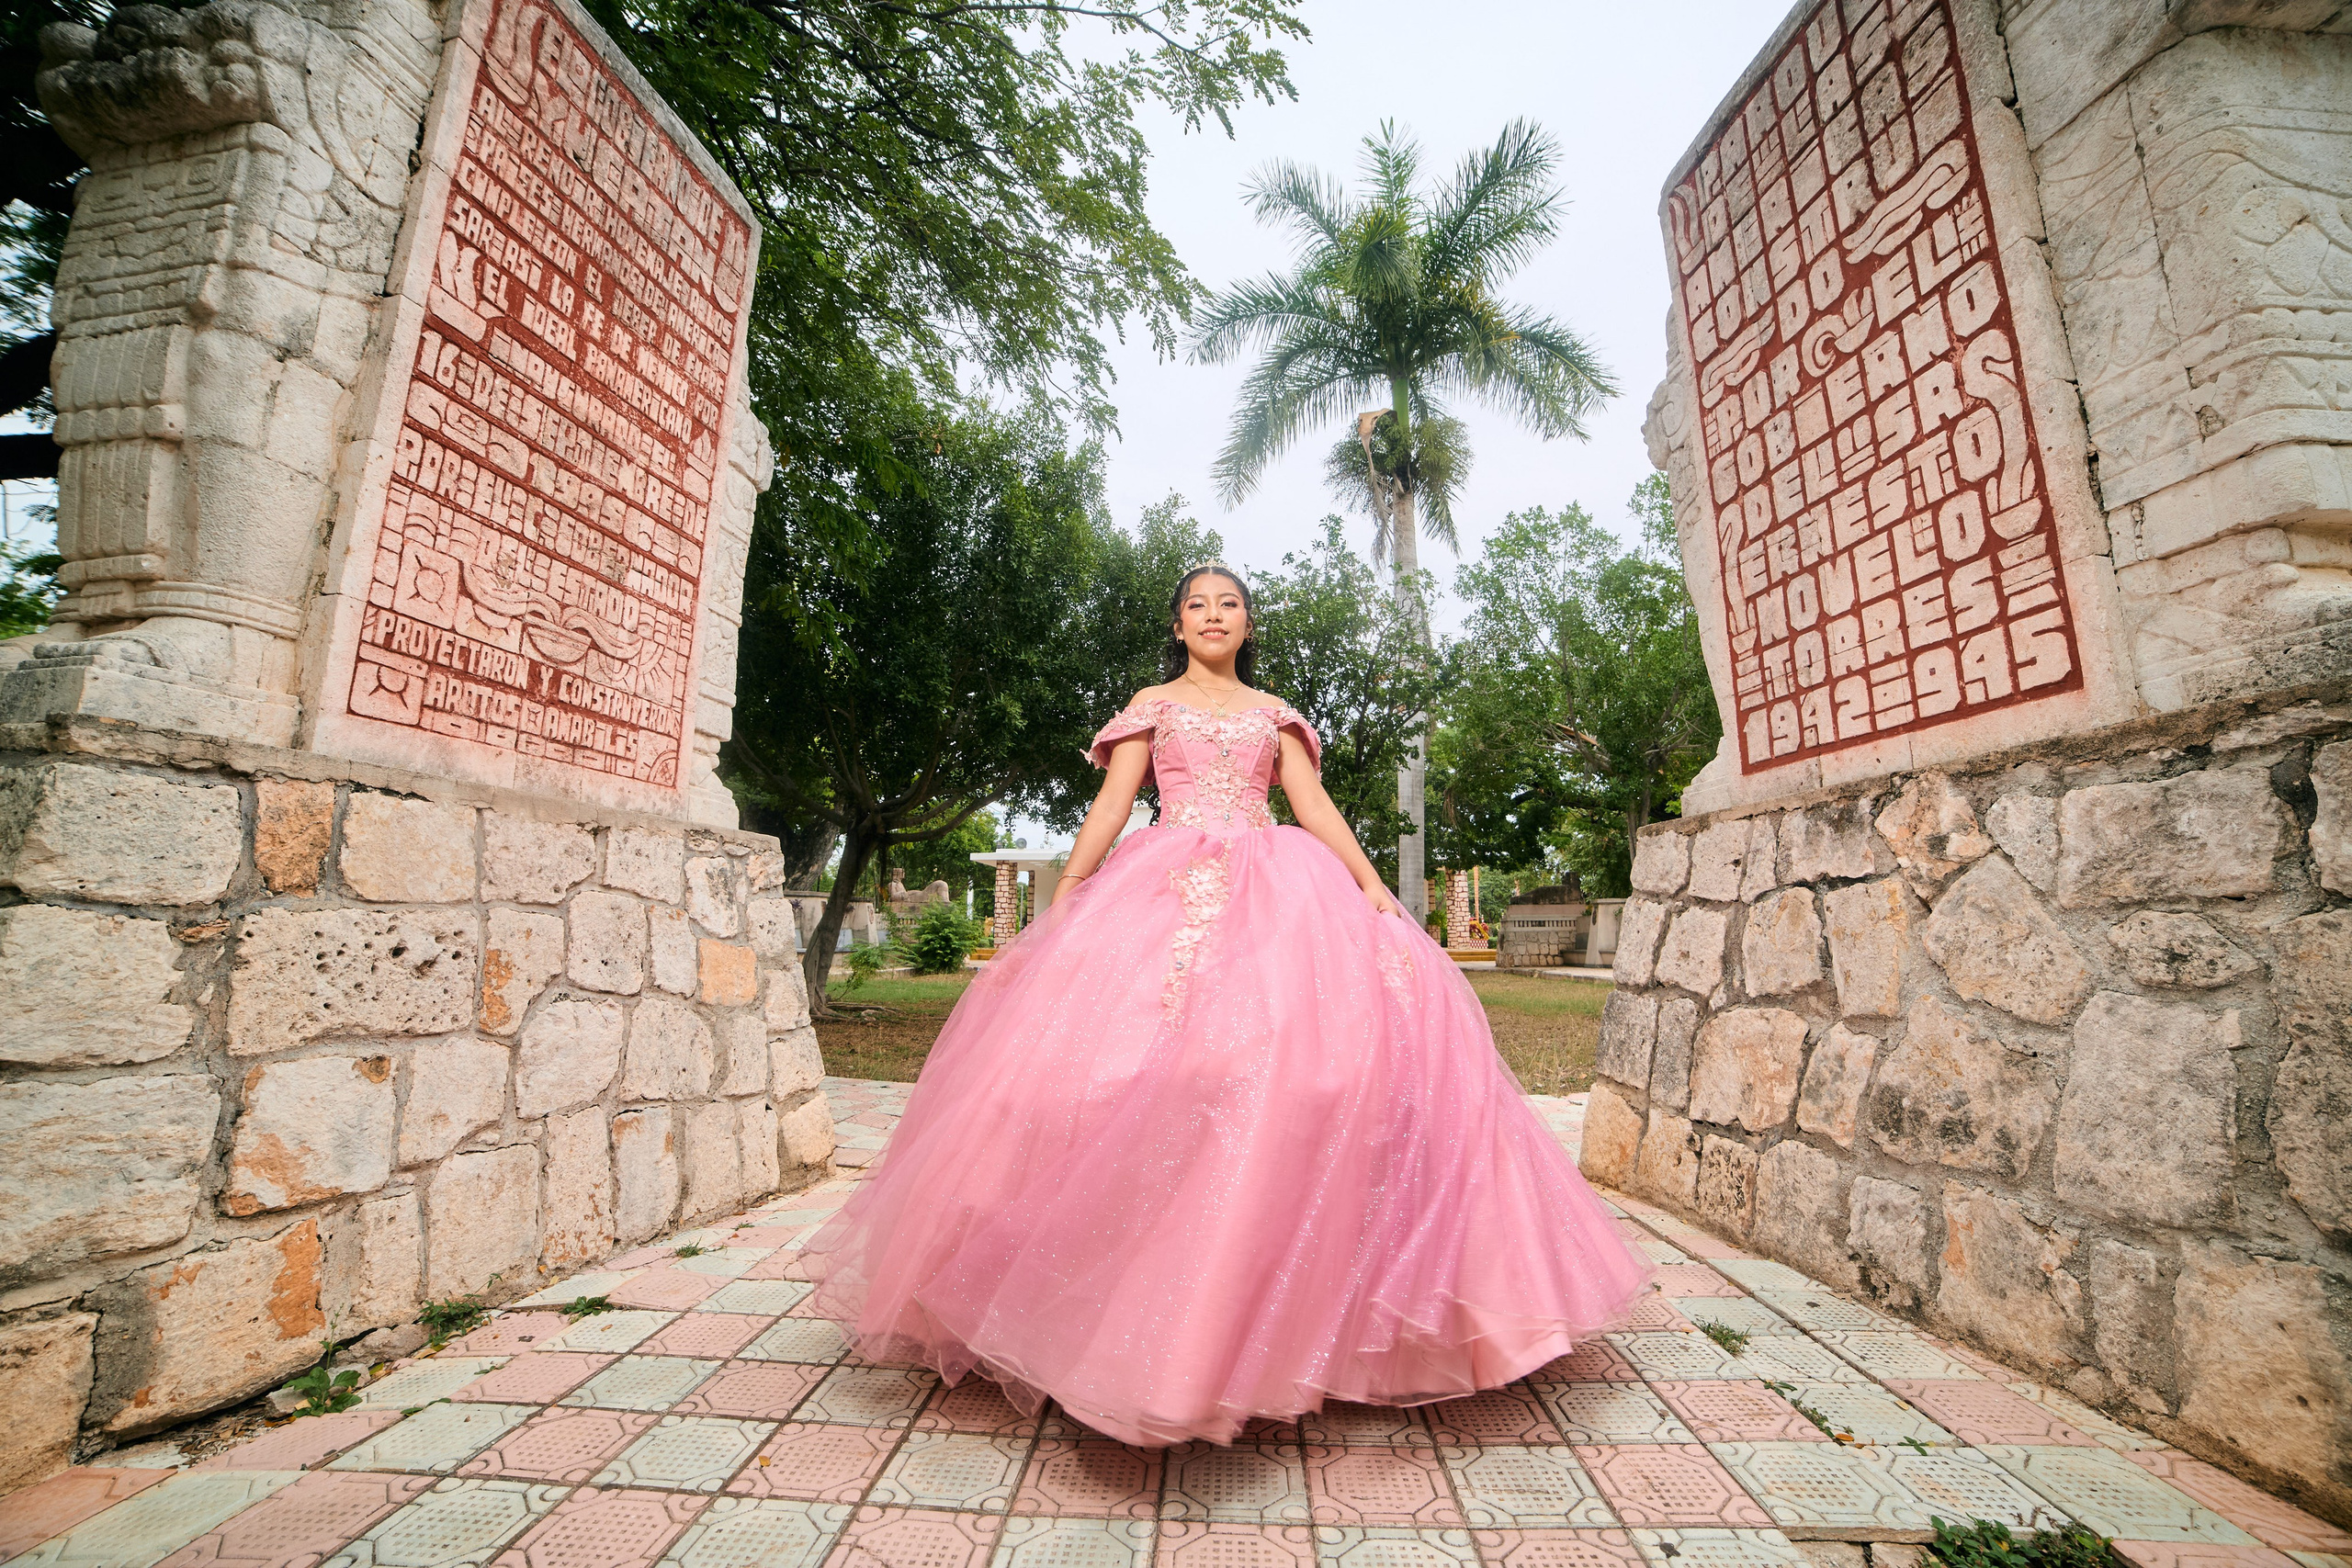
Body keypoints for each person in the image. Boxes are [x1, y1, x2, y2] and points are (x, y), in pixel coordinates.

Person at [797, 563, 1652, 1446]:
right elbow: (1115, 803)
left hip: (1279, 897)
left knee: (1296, 1071)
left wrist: (1368, 886)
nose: (1213, 615)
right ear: (1178, 624)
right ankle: (1108, 1312)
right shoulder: (1150, 705)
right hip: (1161, 893)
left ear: (1247, 623)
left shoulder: (1274, 713)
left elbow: (1312, 805)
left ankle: (1291, 1321)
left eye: (1229, 604)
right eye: (1197, 605)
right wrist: (1072, 892)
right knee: (1138, 1071)